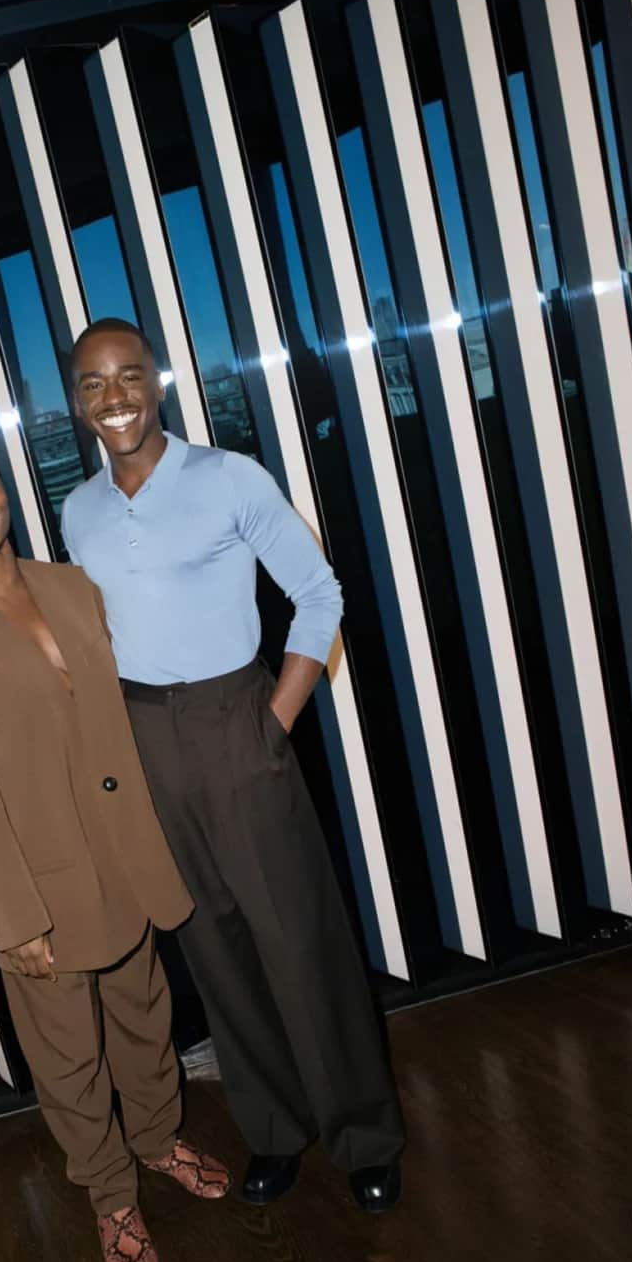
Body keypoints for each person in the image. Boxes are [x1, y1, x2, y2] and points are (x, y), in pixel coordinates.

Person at [61, 319, 405, 1213]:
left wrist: (274, 721)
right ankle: (276, 1132)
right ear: (76, 402)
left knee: (299, 937)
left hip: (234, 717)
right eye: (94, 384)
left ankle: (363, 1133)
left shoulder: (226, 477)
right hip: (142, 739)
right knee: (213, 946)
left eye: (128, 376)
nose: (115, 397)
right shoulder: (79, 510)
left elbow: (319, 593)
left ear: (158, 382)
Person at [0, 442, 230, 1262]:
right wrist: (16, 917)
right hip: (41, 890)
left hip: (126, 857)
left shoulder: (74, 588)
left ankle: (157, 1142)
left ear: (6, 493)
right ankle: (111, 1197)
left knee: (146, 1017)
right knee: (69, 1058)